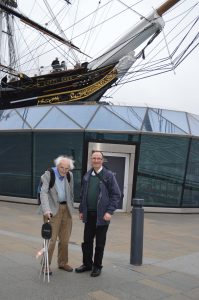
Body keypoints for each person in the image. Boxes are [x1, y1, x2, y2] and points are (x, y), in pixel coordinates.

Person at [75, 150, 121, 277]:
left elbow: (116, 195)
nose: (96, 160)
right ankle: (87, 264)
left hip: (102, 215)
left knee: (100, 243)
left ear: (102, 160)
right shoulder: (87, 175)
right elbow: (83, 194)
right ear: (91, 160)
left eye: (98, 158)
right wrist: (81, 210)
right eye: (94, 158)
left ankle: (97, 266)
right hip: (88, 214)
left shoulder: (109, 175)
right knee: (87, 241)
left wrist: (109, 211)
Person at [38, 155, 74, 275]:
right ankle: (45, 265)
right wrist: (46, 210)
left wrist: (71, 208)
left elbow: (71, 193)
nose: (64, 170)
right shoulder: (48, 175)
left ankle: (63, 263)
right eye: (62, 167)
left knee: (65, 239)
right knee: (51, 240)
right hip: (52, 210)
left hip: (66, 210)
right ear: (57, 166)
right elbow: (43, 193)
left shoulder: (70, 175)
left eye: (67, 168)